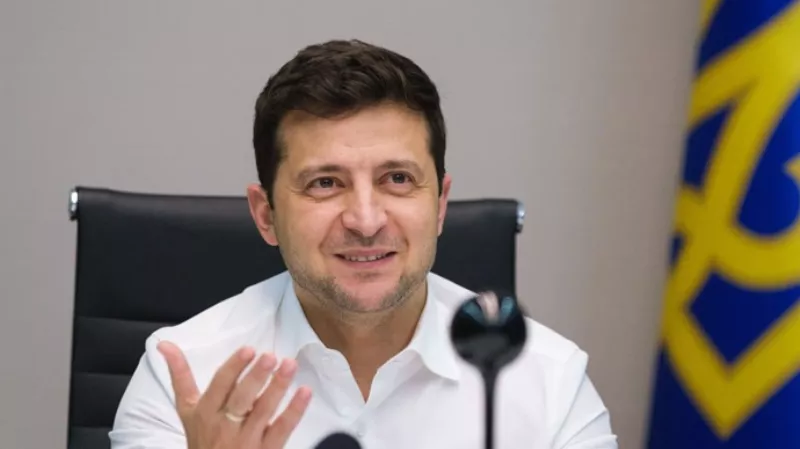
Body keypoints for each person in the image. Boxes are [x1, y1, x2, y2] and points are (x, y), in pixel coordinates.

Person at [109, 39, 618, 449]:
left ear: (440, 205)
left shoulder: (548, 380)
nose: (366, 220)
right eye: (325, 183)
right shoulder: (186, 381)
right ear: (266, 215)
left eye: (397, 178)